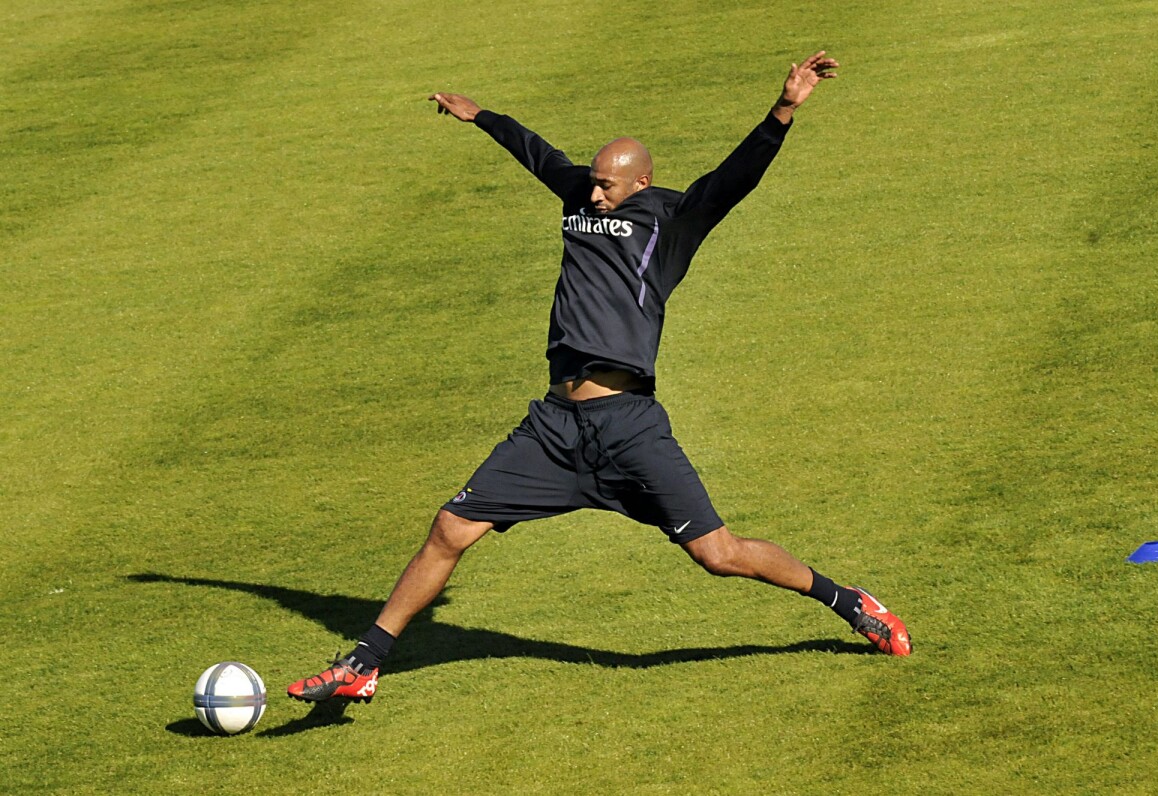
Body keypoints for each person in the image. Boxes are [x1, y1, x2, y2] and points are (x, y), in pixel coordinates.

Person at [288, 51, 910, 705]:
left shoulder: (674, 220)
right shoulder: (580, 195)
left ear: (641, 181)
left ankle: (850, 602)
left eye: (607, 186)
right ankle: (363, 664)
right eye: (592, 184)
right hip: (553, 429)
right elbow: (539, 154)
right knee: (449, 529)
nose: (593, 194)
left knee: (720, 554)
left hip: (628, 429)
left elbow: (735, 178)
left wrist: (783, 109)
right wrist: (481, 117)